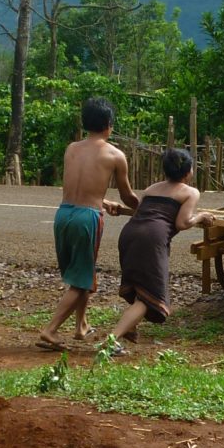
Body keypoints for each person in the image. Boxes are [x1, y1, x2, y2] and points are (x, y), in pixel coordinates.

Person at [37, 97, 140, 352]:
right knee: (82, 281)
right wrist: (143, 206)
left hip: (64, 214)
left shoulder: (72, 148)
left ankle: (81, 325)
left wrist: (102, 200)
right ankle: (49, 330)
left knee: (81, 273)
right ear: (109, 125)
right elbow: (128, 197)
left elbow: (77, 186)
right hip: (87, 219)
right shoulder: (115, 155)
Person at [107, 148, 215, 355]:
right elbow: (183, 223)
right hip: (152, 240)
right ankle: (111, 340)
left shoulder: (151, 189)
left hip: (129, 234)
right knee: (150, 297)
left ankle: (130, 326)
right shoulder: (190, 192)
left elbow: (144, 212)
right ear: (187, 173)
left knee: (140, 286)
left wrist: (120, 209)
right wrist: (202, 217)